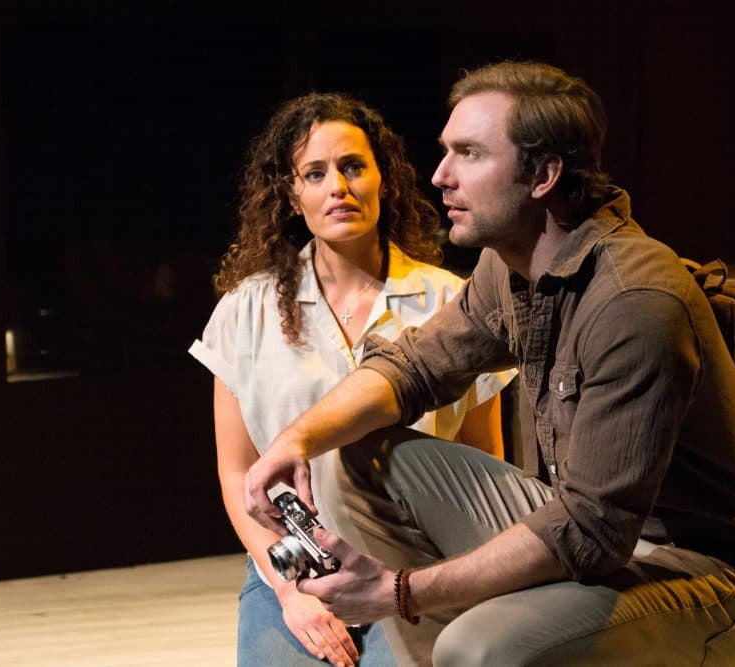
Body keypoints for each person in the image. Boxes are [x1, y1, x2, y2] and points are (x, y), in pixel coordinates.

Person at [243, 62, 735, 667]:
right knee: (351, 452)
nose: (439, 176)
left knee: (478, 647)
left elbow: (593, 530)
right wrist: (296, 439)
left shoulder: (634, 302)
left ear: (544, 175)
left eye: (469, 155)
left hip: (699, 575)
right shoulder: (512, 266)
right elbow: (413, 369)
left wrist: (398, 593)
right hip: (587, 531)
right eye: (447, 151)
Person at [189, 92, 514, 667]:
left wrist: (453, 587)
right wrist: (290, 591)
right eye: (315, 173)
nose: (337, 185)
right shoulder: (247, 310)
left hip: (414, 566)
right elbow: (236, 471)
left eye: (353, 166)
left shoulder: (452, 301)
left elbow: (481, 460)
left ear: (382, 180)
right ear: (291, 195)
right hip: (294, 565)